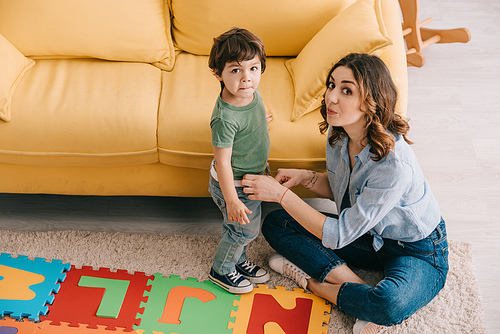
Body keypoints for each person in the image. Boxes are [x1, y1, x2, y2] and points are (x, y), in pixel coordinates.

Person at [242, 53, 448, 333]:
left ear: (371, 101)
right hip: (368, 235)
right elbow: (347, 190)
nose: (331, 97)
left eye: (346, 90)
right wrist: (308, 177)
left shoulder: (395, 166)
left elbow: (339, 234)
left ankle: (313, 284)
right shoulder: (338, 134)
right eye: (331, 85)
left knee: (388, 304)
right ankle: (360, 290)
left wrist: (280, 194)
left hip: (415, 249)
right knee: (278, 223)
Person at [207, 27, 272, 294]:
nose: (247, 79)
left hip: (252, 175)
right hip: (234, 184)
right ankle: (221, 269)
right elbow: (222, 162)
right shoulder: (224, 118)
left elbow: (252, 116)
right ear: (218, 74)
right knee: (242, 231)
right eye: (236, 70)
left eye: (253, 69)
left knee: (240, 228)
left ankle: (238, 260)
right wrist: (231, 198)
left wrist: (260, 123)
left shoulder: (251, 94)